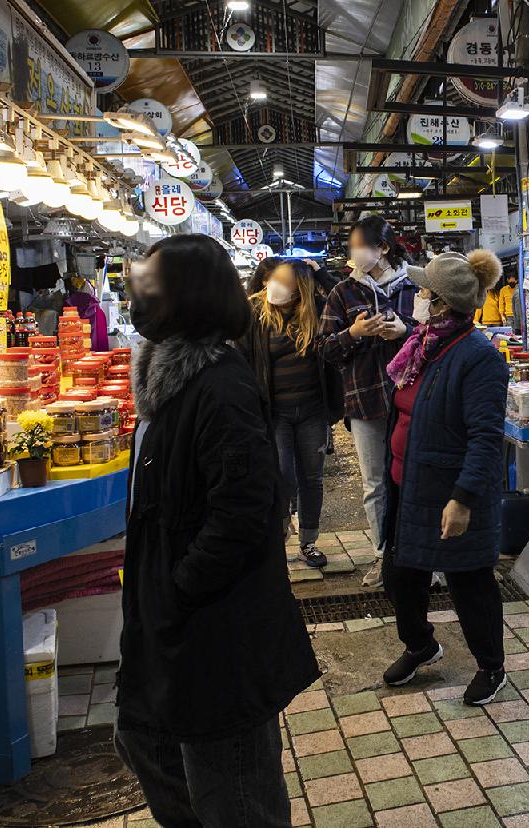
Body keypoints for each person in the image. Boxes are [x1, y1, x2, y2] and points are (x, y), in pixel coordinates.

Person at [118, 234, 318, 827]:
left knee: (235, 793)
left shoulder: (220, 387)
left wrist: (180, 587)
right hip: (173, 623)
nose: (137, 297)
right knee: (148, 746)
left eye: (148, 286)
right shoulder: (170, 378)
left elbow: (246, 510)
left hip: (216, 629)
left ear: (187, 298)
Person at [381, 249, 509, 706]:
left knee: (468, 581)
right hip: (407, 484)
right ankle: (421, 646)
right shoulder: (422, 346)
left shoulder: (479, 358)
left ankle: (491, 667)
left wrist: (463, 498)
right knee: (400, 576)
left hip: (449, 490)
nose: (415, 297)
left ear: (439, 303)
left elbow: (485, 438)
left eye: (422, 292)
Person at [319, 216, 417, 560]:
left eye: (361, 245)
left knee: (413, 479)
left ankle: (418, 554)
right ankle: (383, 556)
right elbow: (325, 349)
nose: (355, 253)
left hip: (412, 399)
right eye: (353, 247)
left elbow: (436, 333)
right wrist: (354, 334)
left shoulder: (416, 285)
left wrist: (406, 332)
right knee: (375, 484)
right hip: (365, 399)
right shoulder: (342, 292)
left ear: (384, 248)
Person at [238, 259, 343, 568]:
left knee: (312, 477)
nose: (275, 285)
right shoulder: (254, 311)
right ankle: (279, 533)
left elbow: (341, 292)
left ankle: (308, 542)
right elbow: (241, 357)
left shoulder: (319, 309)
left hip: (313, 409)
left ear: (300, 288)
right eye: (274, 279)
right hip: (274, 412)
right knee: (281, 475)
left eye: (284, 280)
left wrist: (321, 272)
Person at [66, 277, 110, 351]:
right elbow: (102, 341)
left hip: (73, 354)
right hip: (95, 357)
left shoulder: (68, 309)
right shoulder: (98, 311)